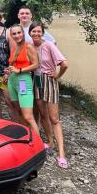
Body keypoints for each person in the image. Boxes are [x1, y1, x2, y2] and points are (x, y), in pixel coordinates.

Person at [29, 21, 69, 168]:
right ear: (30, 33)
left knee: (54, 118)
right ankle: (50, 142)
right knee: (42, 113)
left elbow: (65, 64)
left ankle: (62, 155)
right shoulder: (31, 47)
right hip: (37, 80)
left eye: (39, 31)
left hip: (49, 80)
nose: (36, 34)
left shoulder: (49, 45)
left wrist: (57, 76)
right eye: (33, 32)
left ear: (43, 32)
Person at [5, 25, 41, 137]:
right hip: (12, 81)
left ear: (23, 33)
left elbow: (36, 65)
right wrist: (7, 73)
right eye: (14, 34)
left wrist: (19, 70)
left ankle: (37, 144)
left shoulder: (28, 47)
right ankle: (25, 136)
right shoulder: (15, 47)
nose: (17, 35)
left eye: (19, 33)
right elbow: (13, 64)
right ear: (11, 35)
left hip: (23, 81)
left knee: (28, 116)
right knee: (19, 112)